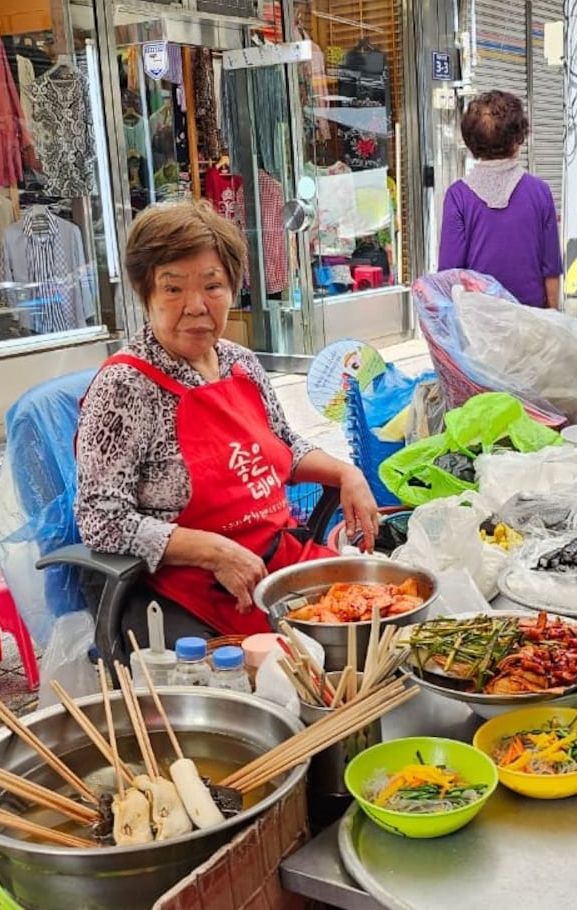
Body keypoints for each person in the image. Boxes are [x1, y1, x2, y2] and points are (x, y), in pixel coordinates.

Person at [75, 201, 379, 643]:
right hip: (190, 589)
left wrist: (346, 473)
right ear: (146, 295)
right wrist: (212, 551)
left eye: (212, 286)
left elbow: (281, 446)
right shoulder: (125, 386)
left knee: (373, 623)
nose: (196, 306)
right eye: (173, 289)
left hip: (276, 563)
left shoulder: (241, 363)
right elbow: (101, 519)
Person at [437, 90, 563, 308]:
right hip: (530, 319)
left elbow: (449, 273)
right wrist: (553, 316)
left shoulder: (458, 195)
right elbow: (550, 267)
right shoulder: (539, 192)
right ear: (518, 139)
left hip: (479, 320)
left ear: (470, 141)